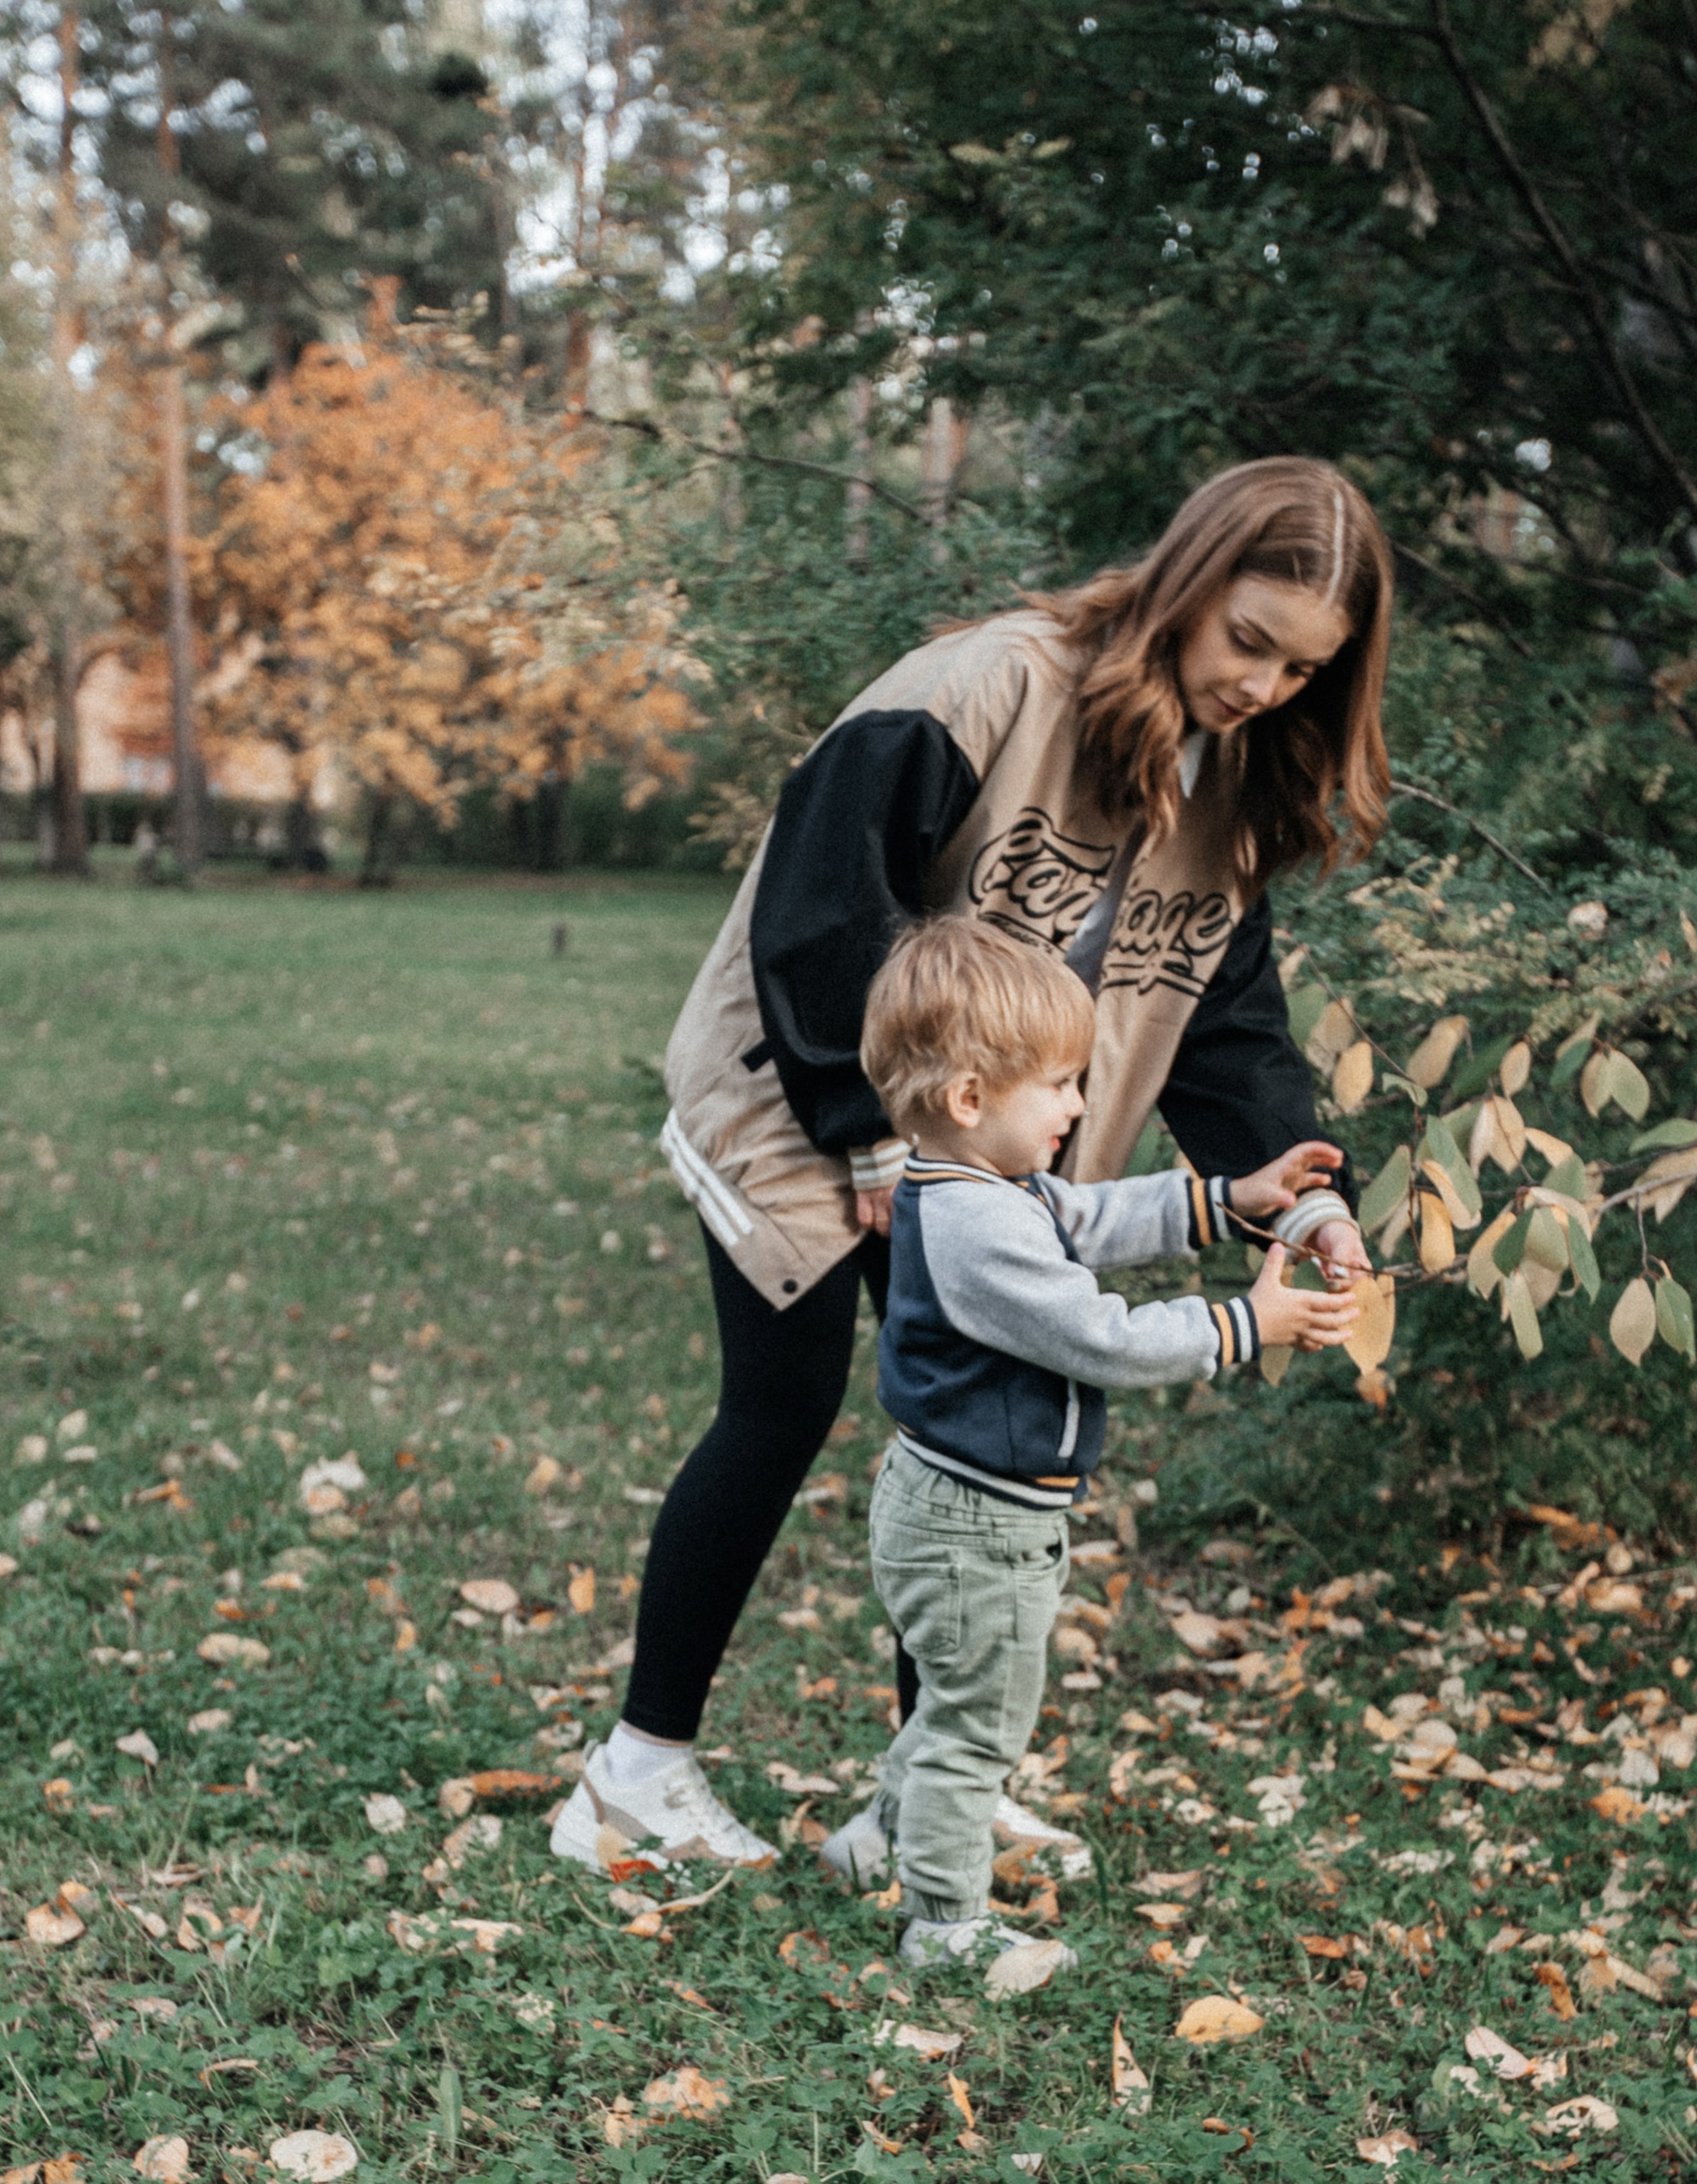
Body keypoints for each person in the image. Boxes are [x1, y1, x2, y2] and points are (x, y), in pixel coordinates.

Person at [550, 453, 1391, 1874]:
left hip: (990, 1142)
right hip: (807, 1074)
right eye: (1249, 640)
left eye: (1304, 670)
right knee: (784, 1398)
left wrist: (1304, 1190)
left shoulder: (1232, 796)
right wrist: (868, 1133)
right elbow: (823, 890)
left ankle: (923, 1794)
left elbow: (1228, 1033)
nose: (1262, 687)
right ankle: (636, 1777)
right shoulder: (994, 683)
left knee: (974, 1436)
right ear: (1190, 581)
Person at [833, 916, 1354, 1961]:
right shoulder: (978, 1224)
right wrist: (1246, 1324)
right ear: (970, 1098)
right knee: (977, 1725)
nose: (1081, 1104)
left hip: (974, 1512)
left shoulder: (988, 1186)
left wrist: (1227, 1199)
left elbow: (1095, 1219)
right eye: (1062, 1084)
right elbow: (1099, 1338)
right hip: (972, 1524)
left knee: (954, 1699)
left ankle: (878, 1836)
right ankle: (947, 1925)